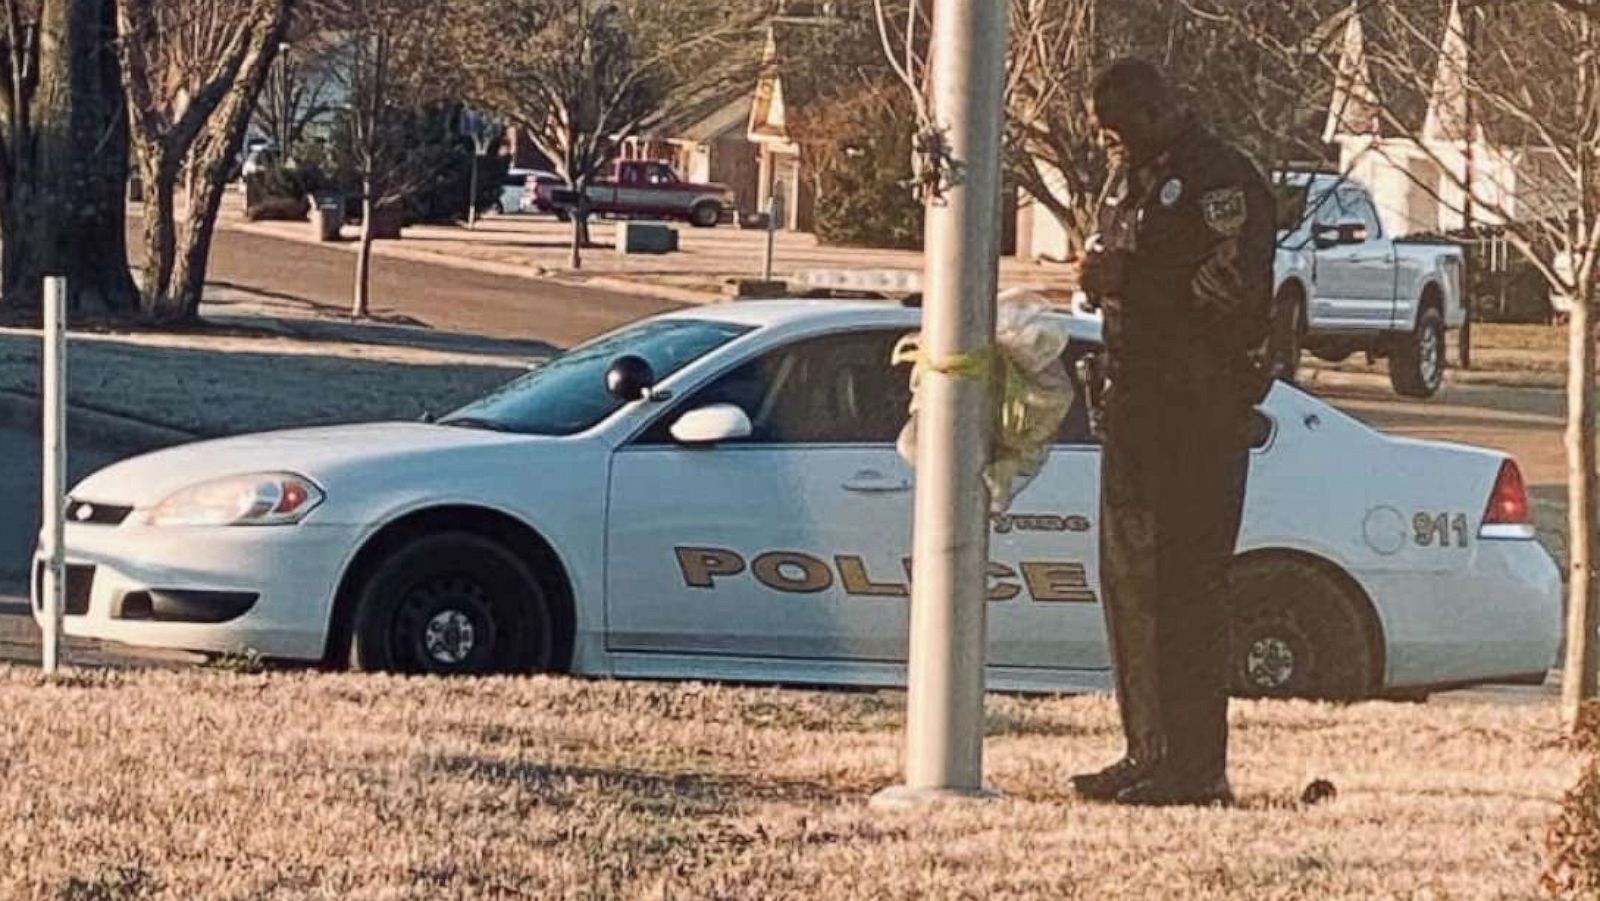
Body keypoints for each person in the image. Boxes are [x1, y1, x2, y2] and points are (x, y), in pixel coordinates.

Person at [1070, 58, 1275, 806]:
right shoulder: (1130, 180)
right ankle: (1146, 748)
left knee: (1187, 590)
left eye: (1121, 126)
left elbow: (1229, 295)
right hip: (1131, 407)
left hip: (1197, 414)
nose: (1112, 142)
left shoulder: (1223, 181)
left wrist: (1126, 278)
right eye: (1105, 133)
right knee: (1131, 585)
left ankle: (1195, 767)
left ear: (1161, 107)